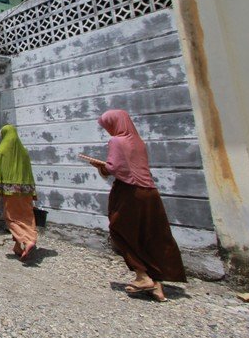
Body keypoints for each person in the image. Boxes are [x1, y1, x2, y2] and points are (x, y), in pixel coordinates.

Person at [79, 109, 186, 302]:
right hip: (150, 192)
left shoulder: (116, 141)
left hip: (129, 192)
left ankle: (142, 276)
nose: (108, 130)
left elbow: (115, 168)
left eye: (108, 125)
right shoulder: (138, 141)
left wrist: (100, 166)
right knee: (150, 236)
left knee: (119, 230)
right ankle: (158, 286)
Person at [0, 124, 38, 261]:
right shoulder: (23, 151)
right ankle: (20, 247)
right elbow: (29, 172)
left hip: (10, 192)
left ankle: (26, 240)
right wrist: (33, 191)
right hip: (26, 191)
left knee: (11, 218)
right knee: (27, 216)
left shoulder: (1, 150)